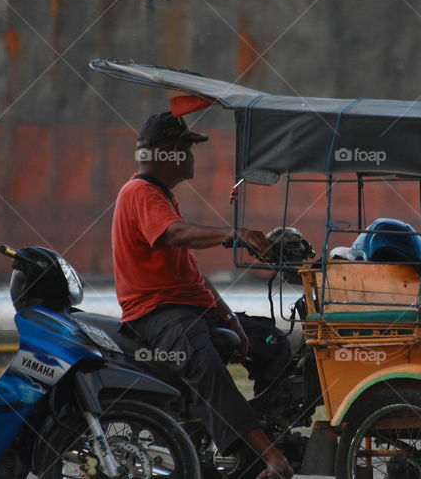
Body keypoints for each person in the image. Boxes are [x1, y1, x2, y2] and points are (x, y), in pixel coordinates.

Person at [111, 111, 293, 479]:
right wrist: (233, 233)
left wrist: (229, 318)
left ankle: (262, 431)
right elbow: (175, 234)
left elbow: (192, 273)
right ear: (171, 152)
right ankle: (266, 457)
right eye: (188, 149)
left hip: (192, 310)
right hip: (158, 313)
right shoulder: (140, 193)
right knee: (206, 366)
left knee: (272, 342)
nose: (192, 157)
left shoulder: (161, 196)